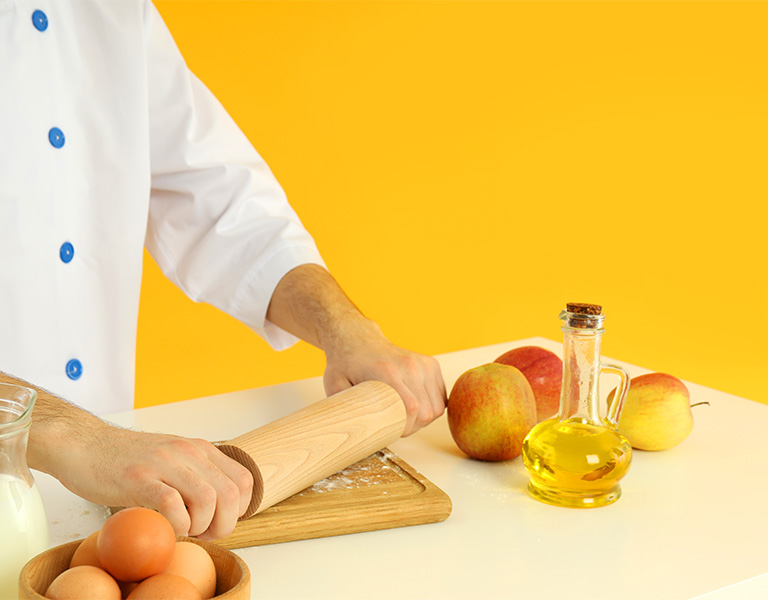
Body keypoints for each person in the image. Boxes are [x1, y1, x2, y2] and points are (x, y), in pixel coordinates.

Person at [0, 1, 446, 540]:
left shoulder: (111, 12)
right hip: (89, 467)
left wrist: (346, 329)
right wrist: (79, 439)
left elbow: (220, 203)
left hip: (109, 496)